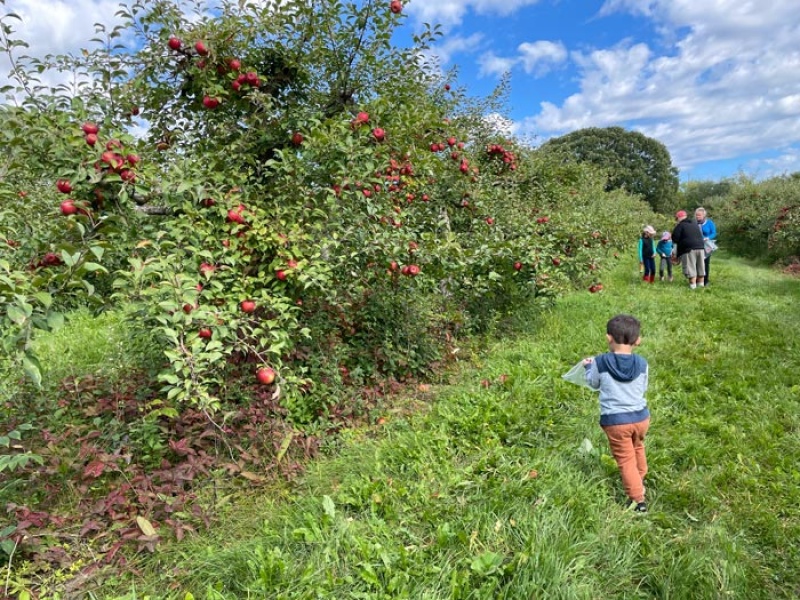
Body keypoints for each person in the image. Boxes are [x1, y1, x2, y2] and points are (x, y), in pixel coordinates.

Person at [583, 314, 650, 513]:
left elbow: (593, 383)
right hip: (641, 417)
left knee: (625, 459)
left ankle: (638, 501)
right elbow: (643, 387)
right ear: (638, 341)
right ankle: (640, 476)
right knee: (637, 446)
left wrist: (588, 367)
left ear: (608, 338)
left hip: (616, 421)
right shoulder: (642, 363)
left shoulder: (600, 362)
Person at [671, 210, 705, 289]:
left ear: (678, 218)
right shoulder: (694, 224)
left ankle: (693, 288)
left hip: (689, 249)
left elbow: (675, 238)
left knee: (691, 270)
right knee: (701, 269)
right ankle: (701, 288)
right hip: (701, 247)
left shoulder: (680, 225)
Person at [695, 207, 717, 286]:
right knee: (697, 263)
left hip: (707, 246)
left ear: (704, 215)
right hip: (697, 245)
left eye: (699, 215)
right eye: (696, 215)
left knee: (705, 263)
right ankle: (697, 280)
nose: (697, 217)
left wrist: (708, 237)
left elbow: (714, 233)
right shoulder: (694, 223)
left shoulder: (710, 223)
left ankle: (706, 280)